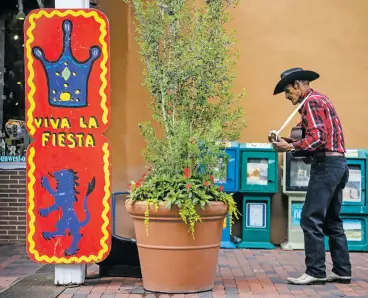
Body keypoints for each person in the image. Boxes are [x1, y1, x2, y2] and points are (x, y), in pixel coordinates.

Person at [270, 67, 352, 285]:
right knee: (332, 221)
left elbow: (317, 138)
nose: (287, 97)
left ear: (298, 85)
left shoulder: (311, 102)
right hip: (338, 164)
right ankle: (342, 271)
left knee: (310, 218)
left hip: (326, 165)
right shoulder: (319, 100)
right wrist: (286, 141)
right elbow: (311, 136)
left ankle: (316, 271)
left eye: (288, 91)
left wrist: (288, 148)